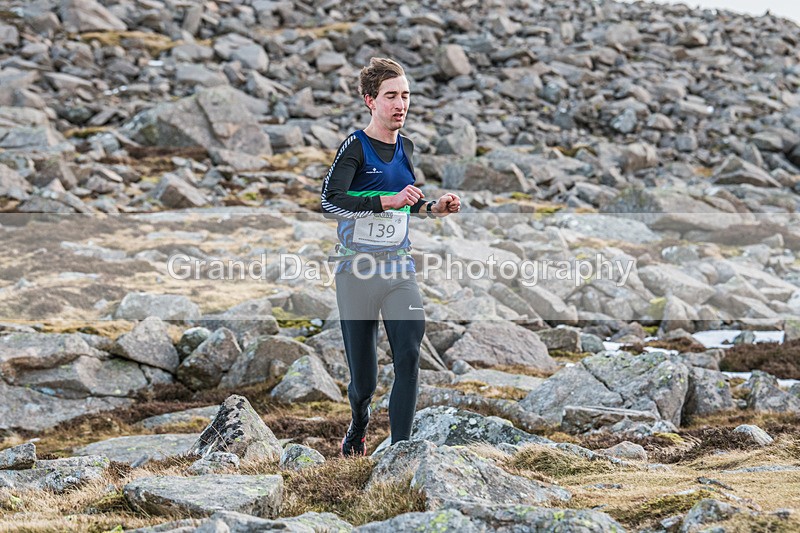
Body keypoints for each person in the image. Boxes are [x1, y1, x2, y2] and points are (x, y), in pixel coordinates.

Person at [320, 57, 461, 456]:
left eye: (405, 96)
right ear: (370, 100)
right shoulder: (356, 147)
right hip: (357, 272)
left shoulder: (407, 147)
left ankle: (401, 453)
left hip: (399, 268)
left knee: (409, 355)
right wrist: (386, 201)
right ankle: (359, 423)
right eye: (390, 96)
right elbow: (330, 202)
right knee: (364, 381)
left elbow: (406, 203)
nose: (400, 104)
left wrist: (433, 207)